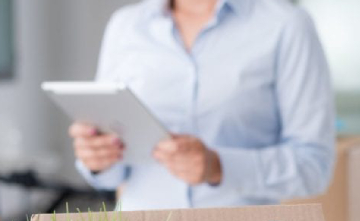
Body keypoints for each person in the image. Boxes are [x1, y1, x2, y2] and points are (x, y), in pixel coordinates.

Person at [69, 0, 335, 210]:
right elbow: (112, 174)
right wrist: (98, 159)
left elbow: (314, 166)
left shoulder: (286, 25)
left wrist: (219, 166)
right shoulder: (126, 25)